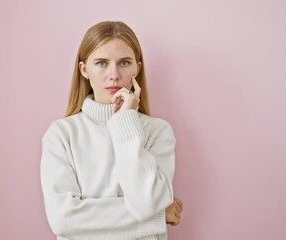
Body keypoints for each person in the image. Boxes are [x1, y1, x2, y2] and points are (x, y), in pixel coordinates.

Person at [40, 21, 183, 240]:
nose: (114, 74)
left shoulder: (158, 132)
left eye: (124, 62)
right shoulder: (61, 135)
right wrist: (156, 218)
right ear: (84, 69)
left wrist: (125, 120)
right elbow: (63, 219)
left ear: (137, 67)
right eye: (101, 63)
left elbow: (147, 203)